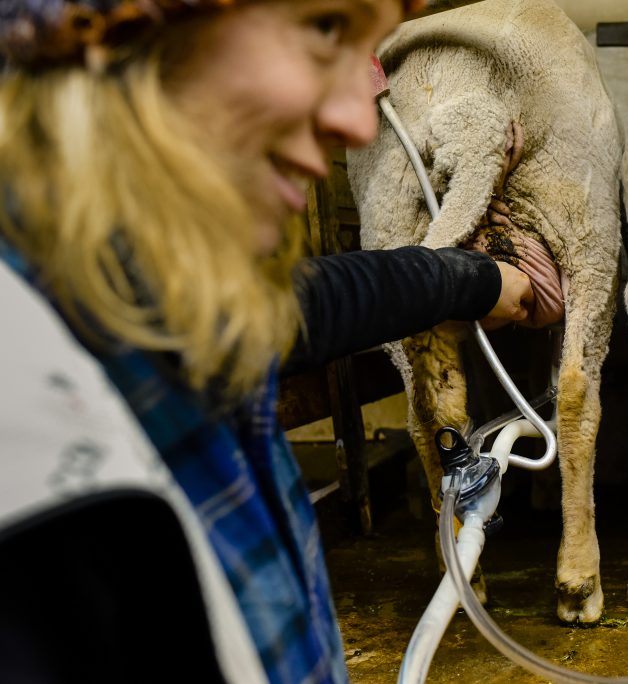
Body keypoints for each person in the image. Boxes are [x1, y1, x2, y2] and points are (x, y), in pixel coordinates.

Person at [0, 0, 535, 682]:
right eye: (323, 28)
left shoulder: (164, 298)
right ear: (118, 27)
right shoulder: (28, 415)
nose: (356, 120)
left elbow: (312, 302)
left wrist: (472, 280)